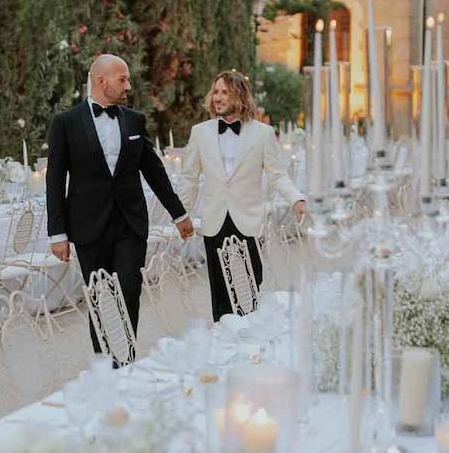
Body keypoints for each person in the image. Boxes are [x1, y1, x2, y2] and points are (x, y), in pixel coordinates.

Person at [46, 54, 194, 357]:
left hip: (130, 224)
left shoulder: (134, 120)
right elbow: (55, 179)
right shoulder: (66, 123)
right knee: (100, 296)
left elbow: (154, 171)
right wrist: (57, 233)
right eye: (122, 79)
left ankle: (125, 359)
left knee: (128, 291)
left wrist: (179, 213)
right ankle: (104, 364)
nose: (129, 85)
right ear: (102, 81)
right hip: (89, 226)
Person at [181, 69, 306, 321]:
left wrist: (297, 199)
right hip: (215, 222)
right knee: (220, 296)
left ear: (240, 96)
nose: (217, 97)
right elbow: (189, 178)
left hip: (248, 222)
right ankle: (222, 348)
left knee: (248, 291)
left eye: (224, 92)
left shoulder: (263, 133)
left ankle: (248, 349)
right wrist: (180, 214)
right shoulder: (200, 132)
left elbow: (278, 175)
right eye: (215, 92)